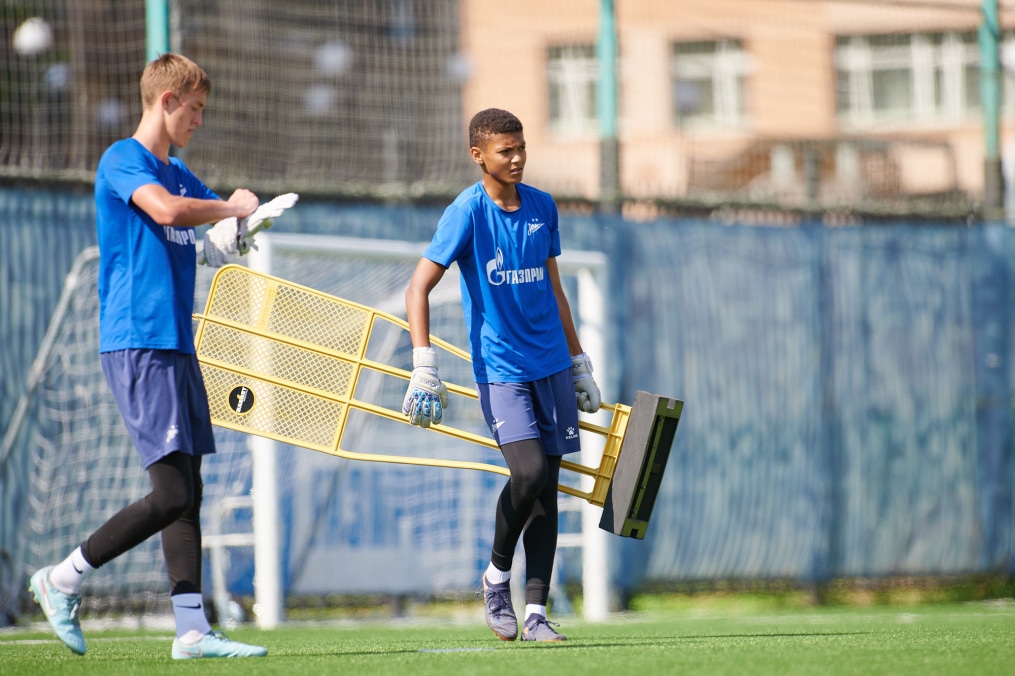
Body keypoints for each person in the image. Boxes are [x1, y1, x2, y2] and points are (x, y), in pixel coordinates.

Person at [28, 53, 273, 659]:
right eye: (194, 110)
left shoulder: (179, 170)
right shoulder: (123, 159)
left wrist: (247, 224)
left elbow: (214, 227)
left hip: (175, 341)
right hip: (139, 340)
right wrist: (232, 209)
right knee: (167, 493)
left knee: (187, 487)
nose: (197, 121)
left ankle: (191, 630)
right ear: (166, 101)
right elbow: (166, 211)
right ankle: (61, 579)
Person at [403, 108, 601, 642]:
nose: (516, 158)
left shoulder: (542, 206)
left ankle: (535, 613)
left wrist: (579, 362)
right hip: (502, 371)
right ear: (478, 155)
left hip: (553, 366)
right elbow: (416, 288)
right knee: (529, 473)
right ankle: (496, 577)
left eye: (521, 148)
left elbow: (553, 288)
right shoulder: (466, 213)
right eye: (504, 151)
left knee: (547, 490)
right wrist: (424, 365)